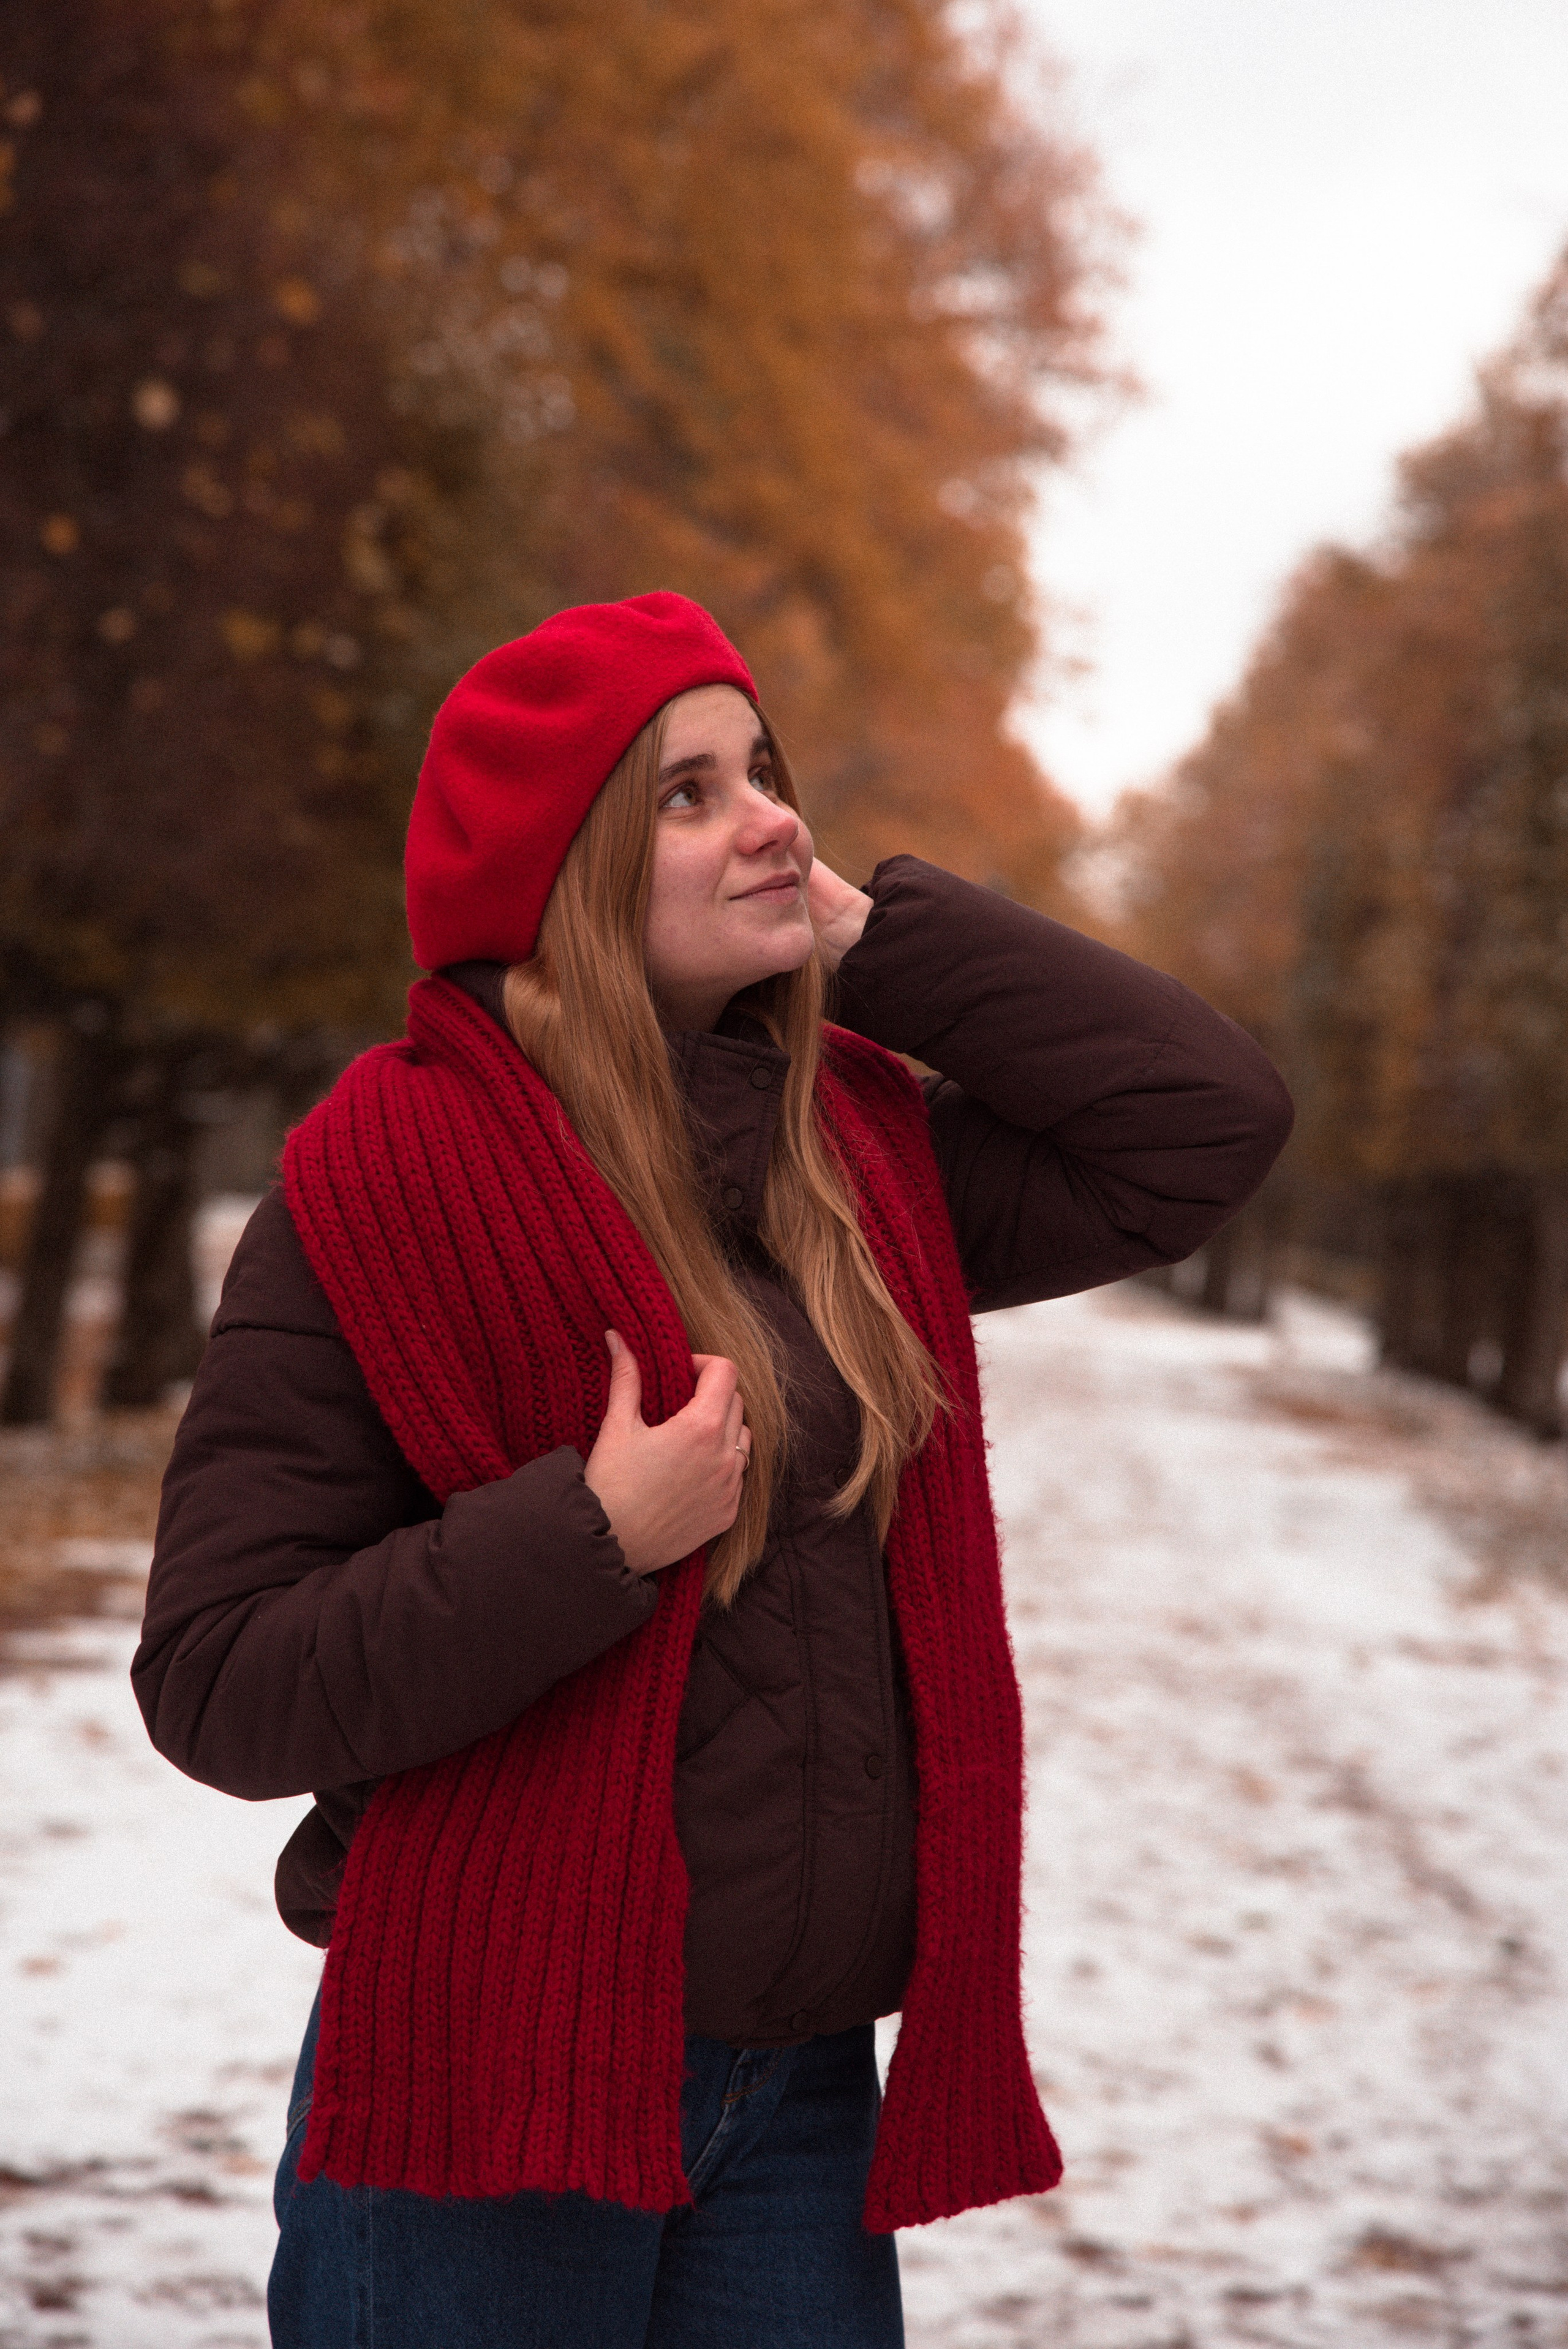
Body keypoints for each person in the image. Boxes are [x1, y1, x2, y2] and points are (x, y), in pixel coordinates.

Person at [133, 591, 1293, 2348]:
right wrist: (591, 1534)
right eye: (686, 791)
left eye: (766, 770)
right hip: (491, 2090)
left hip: (796, 2089)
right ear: (567, 870)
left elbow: (1200, 1123)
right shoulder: (376, 1185)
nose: (768, 813)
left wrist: (868, 934)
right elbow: (218, 1675)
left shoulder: (852, 1162)